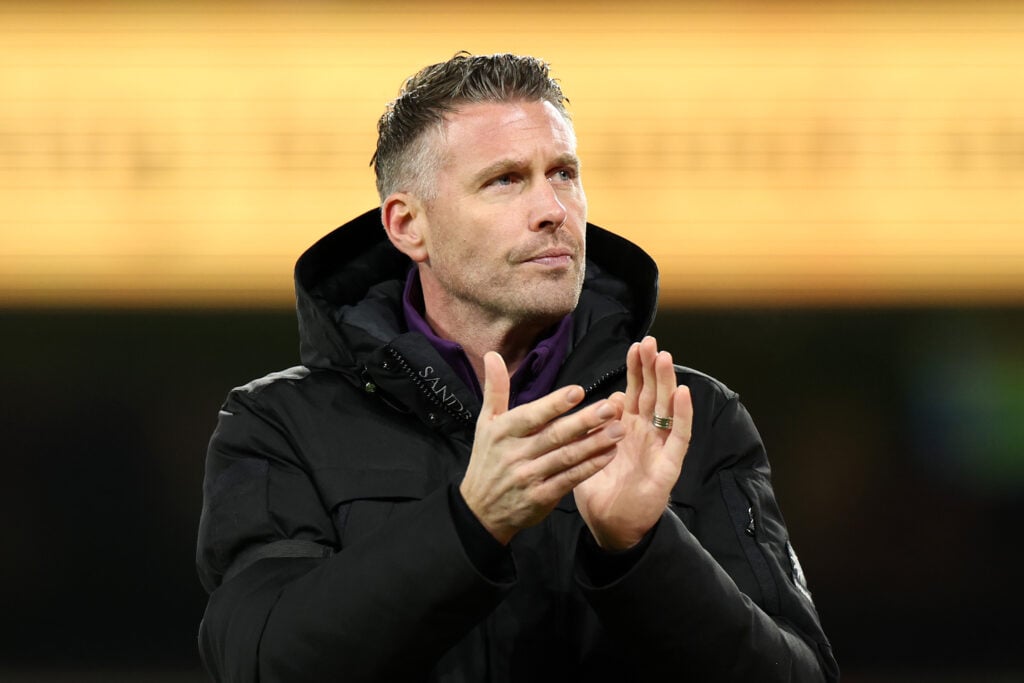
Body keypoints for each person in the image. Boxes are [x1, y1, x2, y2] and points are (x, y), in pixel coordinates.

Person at [196, 52, 838, 682]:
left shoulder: (683, 416)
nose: (553, 209)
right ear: (408, 225)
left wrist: (640, 548)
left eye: (563, 173)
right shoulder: (277, 424)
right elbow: (262, 663)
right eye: (505, 180)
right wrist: (470, 522)